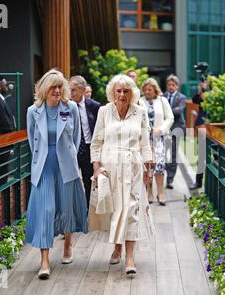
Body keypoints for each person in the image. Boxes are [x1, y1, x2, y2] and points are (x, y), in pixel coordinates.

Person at [25, 69, 88, 279]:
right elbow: (31, 139)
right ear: (45, 89)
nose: (58, 90)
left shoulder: (71, 108)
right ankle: (44, 261)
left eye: (61, 86)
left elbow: (77, 137)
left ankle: (68, 245)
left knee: (65, 207)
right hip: (44, 167)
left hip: (66, 166)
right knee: (46, 209)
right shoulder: (33, 111)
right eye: (54, 87)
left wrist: (69, 157)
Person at [91, 74, 154, 277]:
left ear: (132, 93)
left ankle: (129, 257)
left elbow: (145, 142)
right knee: (116, 210)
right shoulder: (104, 111)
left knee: (131, 209)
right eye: (118, 90)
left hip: (133, 166)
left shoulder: (140, 112)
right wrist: (96, 168)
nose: (122, 94)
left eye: (126, 91)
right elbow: (96, 142)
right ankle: (117, 247)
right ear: (112, 92)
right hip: (110, 167)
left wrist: (148, 168)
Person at [140, 78, 174, 205]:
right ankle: (149, 192)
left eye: (150, 89)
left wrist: (161, 129)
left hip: (159, 138)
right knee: (147, 166)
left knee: (159, 165)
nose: (147, 92)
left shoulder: (162, 100)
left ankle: (161, 193)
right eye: (145, 89)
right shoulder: (139, 101)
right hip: (144, 139)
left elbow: (170, 117)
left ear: (155, 90)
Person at [70, 75, 101, 207]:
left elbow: (99, 130)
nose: (71, 93)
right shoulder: (66, 106)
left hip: (88, 149)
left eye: (74, 90)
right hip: (71, 149)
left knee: (88, 181)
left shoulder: (94, 106)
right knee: (71, 181)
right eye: (69, 90)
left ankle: (87, 210)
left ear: (83, 90)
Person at [163, 74, 186, 189]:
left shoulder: (181, 97)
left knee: (173, 154)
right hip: (164, 129)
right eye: (169, 84)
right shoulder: (163, 96)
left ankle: (170, 179)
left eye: (173, 85)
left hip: (177, 127)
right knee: (162, 152)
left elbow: (178, 111)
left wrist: (165, 111)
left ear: (177, 86)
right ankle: (164, 171)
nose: (171, 87)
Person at [190, 81, 209, 190]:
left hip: (214, 127)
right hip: (202, 127)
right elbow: (194, 100)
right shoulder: (202, 93)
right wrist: (200, 90)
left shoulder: (215, 92)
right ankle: (198, 182)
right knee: (201, 156)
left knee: (217, 157)